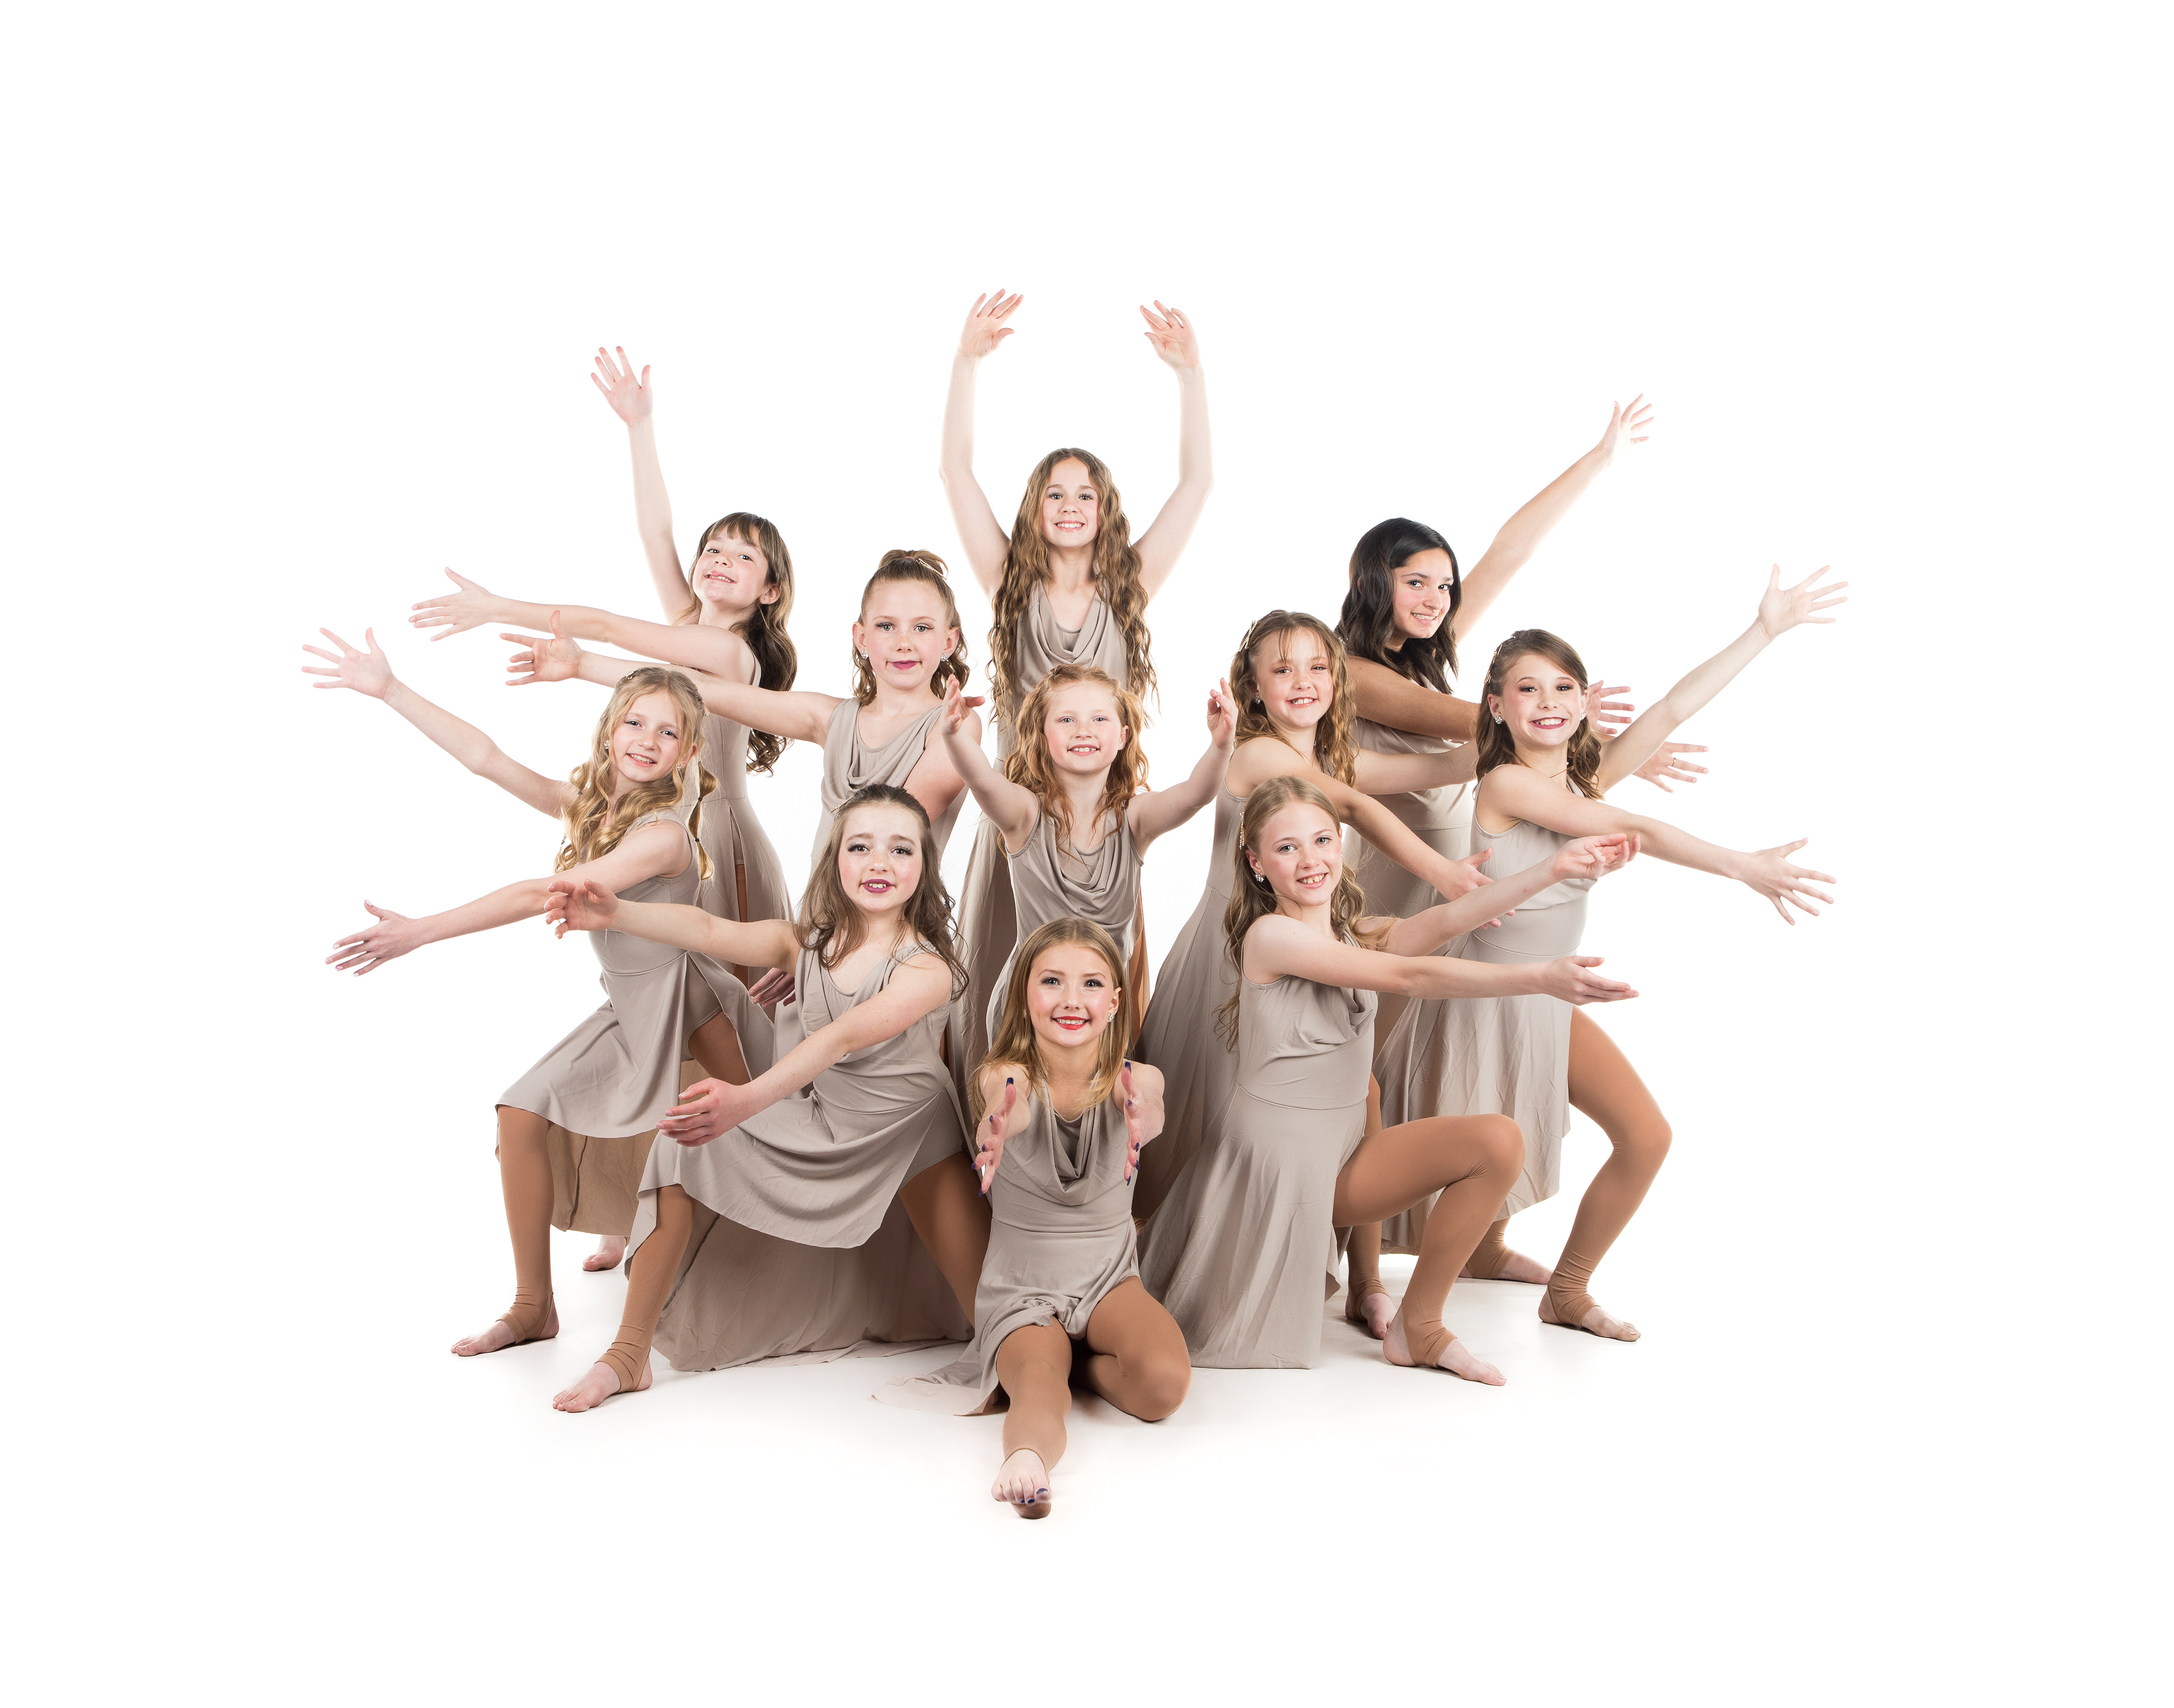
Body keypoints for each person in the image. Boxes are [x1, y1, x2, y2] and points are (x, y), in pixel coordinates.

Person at [1374, 566, 1845, 1341]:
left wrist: (1764, 630)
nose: (1549, 701)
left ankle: (1565, 1289)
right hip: (1483, 996)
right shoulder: (1507, 782)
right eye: (1528, 689)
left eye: (1565, 687)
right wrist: (1742, 866)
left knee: (1646, 1136)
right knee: (1491, 1146)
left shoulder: (1581, 779)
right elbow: (1641, 829)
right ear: (1496, 706)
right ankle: (1420, 1310)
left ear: (1584, 700)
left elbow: (1671, 708)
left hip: (1550, 994)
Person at [406, 347, 798, 1267]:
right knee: (650, 1017)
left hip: (715, 843)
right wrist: (640, 428)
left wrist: (511, 612)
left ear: (771, 590)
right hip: (660, 831)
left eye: (744, 556)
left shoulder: (731, 656)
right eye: (715, 549)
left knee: (718, 1022)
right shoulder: (689, 622)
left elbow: (620, 635)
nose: (720, 560)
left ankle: (728, 1211)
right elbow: (656, 534)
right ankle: (634, 1203)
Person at [303, 635, 752, 1362]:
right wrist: (390, 689)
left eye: (668, 732)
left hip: (693, 1011)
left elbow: (543, 892)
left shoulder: (664, 836)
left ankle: (673, 1324)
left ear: (689, 752)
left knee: (746, 1150)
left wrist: (421, 931)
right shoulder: (592, 809)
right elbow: (488, 759)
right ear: (609, 729)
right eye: (635, 722)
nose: (647, 740)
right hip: (629, 1010)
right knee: (521, 1113)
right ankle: (533, 1305)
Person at [1138, 776, 1639, 1377]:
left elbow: (1447, 920)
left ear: (1339, 843)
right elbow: (1410, 977)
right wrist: (1539, 978)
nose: (1311, 859)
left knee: (1495, 1141)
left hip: (1336, 1158)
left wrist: (1554, 869)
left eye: (1322, 840)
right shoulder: (1270, 937)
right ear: (1257, 864)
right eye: (1287, 847)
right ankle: (1375, 1292)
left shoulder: (1353, 933)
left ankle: (1416, 1326)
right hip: (1278, 1170)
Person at [541, 785, 993, 1411]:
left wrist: (746, 1100)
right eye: (860, 847)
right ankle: (627, 1355)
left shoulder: (928, 967)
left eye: (900, 849)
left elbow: (840, 1037)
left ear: (924, 865)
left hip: (913, 1135)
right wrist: (617, 913)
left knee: (994, 1323)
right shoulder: (804, 944)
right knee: (681, 1148)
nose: (879, 864)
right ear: (835, 858)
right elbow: (706, 928)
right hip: (829, 1124)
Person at [1130, 611, 1492, 1218]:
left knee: (1328, 1099)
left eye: (1318, 667)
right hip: (1231, 954)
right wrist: (1444, 874)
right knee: (1217, 1108)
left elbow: (1443, 768)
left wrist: (1514, 726)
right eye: (1283, 670)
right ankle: (1181, 1234)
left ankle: (1324, 1245)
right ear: (1254, 688)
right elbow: (1351, 806)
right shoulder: (1256, 754)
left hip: (1300, 955)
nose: (1303, 681)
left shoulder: (1331, 757)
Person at [939, 290, 1212, 1035]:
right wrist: (966, 363)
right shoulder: (1009, 583)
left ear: (1104, 509)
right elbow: (956, 473)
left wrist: (1189, 377)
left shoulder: (1127, 588)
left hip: (1099, 819)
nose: (1069, 505)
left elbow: (1196, 485)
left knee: (1095, 980)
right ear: (1035, 507)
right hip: (1022, 815)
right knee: (1004, 981)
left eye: (1084, 494)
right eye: (1055, 493)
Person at [878, 919, 1188, 1521]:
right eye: (1052, 982)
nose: (1072, 999)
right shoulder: (1006, 1075)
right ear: (1026, 995)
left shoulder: (1136, 1078)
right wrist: (999, 1125)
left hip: (1108, 1279)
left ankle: (1085, 1367)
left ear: (1114, 1001)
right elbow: (1009, 1101)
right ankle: (1027, 1461)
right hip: (1024, 1290)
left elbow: (1148, 1100)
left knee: (1164, 1387)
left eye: (1090, 984)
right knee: (1039, 1386)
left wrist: (1142, 1116)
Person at [502, 550, 981, 867]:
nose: (903, 642)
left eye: (922, 628)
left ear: (949, 641)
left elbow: (892, 830)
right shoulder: (829, 717)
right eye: (886, 626)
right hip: (824, 922)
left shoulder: (956, 726)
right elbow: (703, 689)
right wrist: (582, 664)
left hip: (895, 932)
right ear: (861, 637)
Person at [935, 662, 1233, 1090]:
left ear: (1123, 736)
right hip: (1033, 1001)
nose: (1083, 731)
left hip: (1098, 1001)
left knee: (1100, 1104)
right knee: (1026, 1102)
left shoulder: (1135, 819)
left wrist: (1221, 746)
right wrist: (953, 735)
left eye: (1098, 719)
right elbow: (981, 780)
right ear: (1042, 734)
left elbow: (1194, 796)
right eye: (1066, 720)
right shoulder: (1025, 815)